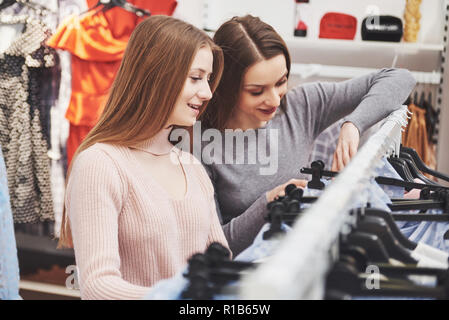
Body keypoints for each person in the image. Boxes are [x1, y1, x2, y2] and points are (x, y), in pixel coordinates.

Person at [198, 15, 416, 256]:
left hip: (305, 258)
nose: (274, 99)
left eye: (281, 82)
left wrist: (354, 124)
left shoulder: (301, 105)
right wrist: (269, 203)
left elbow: (400, 78)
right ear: (227, 87)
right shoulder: (201, 144)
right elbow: (217, 246)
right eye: (257, 91)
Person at [59, 15, 228, 300]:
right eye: (196, 78)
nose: (208, 92)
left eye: (208, 79)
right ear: (157, 74)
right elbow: (98, 287)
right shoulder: (101, 164)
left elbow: (220, 263)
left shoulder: (191, 167)